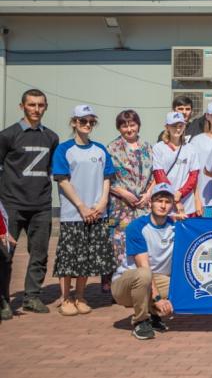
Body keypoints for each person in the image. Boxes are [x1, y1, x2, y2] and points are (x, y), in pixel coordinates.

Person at [51, 105, 117, 316]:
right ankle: (66, 298)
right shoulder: (64, 150)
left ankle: (80, 296)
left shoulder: (100, 149)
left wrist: (102, 202)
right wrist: (81, 206)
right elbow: (62, 180)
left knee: (87, 257)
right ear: (74, 122)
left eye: (91, 121)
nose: (87, 125)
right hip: (73, 213)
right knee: (69, 257)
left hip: (97, 213)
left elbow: (107, 177)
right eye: (83, 121)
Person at [0, 88, 59, 318]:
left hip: (41, 206)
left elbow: (50, 169)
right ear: (22, 106)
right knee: (4, 255)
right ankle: (3, 301)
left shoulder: (52, 137)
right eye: (31, 104)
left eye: (40, 105)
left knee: (39, 254)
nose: (36, 109)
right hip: (11, 205)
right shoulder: (7, 136)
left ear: (46, 107)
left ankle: (32, 297)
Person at [111, 183, 178, 340]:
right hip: (125, 283)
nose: (163, 205)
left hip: (154, 278)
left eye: (167, 202)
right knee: (144, 274)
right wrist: (158, 299)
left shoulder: (176, 227)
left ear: (172, 205)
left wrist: (188, 223)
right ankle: (140, 321)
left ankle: (154, 315)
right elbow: (143, 266)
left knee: (180, 288)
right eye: (159, 201)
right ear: (150, 203)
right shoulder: (137, 227)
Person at [105, 110, 154, 295]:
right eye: (124, 126)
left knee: (144, 242)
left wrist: (148, 194)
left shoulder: (148, 147)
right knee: (120, 245)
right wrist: (124, 193)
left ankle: (144, 284)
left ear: (138, 125)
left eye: (132, 125)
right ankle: (120, 287)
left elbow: (156, 174)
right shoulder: (112, 148)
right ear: (119, 128)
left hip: (144, 204)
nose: (129, 129)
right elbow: (106, 177)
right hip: (121, 205)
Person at [152, 112, 200, 217]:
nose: (177, 129)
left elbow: (193, 176)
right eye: (174, 126)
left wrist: (180, 193)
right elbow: (159, 175)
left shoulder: (191, 148)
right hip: (166, 203)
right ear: (167, 127)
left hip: (187, 204)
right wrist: (174, 199)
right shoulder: (158, 148)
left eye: (180, 126)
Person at [189, 101, 212, 217]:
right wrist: (196, 198)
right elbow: (192, 172)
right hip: (204, 199)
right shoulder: (197, 141)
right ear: (207, 116)